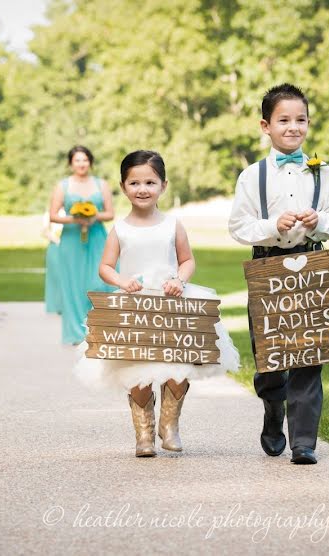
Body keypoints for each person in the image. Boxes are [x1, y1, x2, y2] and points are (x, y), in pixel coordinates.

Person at [74, 150, 240, 457]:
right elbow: (106, 267)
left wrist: (180, 279)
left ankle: (169, 425)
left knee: (178, 368)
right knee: (138, 370)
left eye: (150, 182)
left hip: (171, 303)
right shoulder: (120, 229)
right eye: (134, 182)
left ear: (163, 185)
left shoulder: (172, 224)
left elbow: (187, 259)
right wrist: (122, 282)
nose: (142, 189)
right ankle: (144, 434)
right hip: (135, 304)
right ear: (123, 187)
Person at [228, 83, 329, 465]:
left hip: (312, 266)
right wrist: (271, 226)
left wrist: (318, 222)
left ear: (309, 123)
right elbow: (238, 226)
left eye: (301, 119)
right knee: (270, 359)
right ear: (266, 125)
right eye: (284, 120)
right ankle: (272, 408)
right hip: (269, 267)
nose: (293, 127)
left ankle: (304, 441)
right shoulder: (252, 176)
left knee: (310, 356)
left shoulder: (322, 172)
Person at [49, 146, 115, 344]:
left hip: (97, 238)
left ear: (90, 162)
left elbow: (111, 214)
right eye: (77, 160)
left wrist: (93, 217)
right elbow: (53, 215)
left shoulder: (101, 184)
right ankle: (77, 333)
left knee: (100, 282)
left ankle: (100, 328)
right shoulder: (63, 186)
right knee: (73, 286)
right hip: (71, 241)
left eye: (85, 160)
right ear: (71, 163)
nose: (81, 164)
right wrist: (75, 219)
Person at [42, 210, 64, 315]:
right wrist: (58, 240)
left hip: (70, 247)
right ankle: (59, 305)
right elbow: (45, 231)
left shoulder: (73, 211)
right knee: (56, 276)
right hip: (55, 246)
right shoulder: (49, 213)